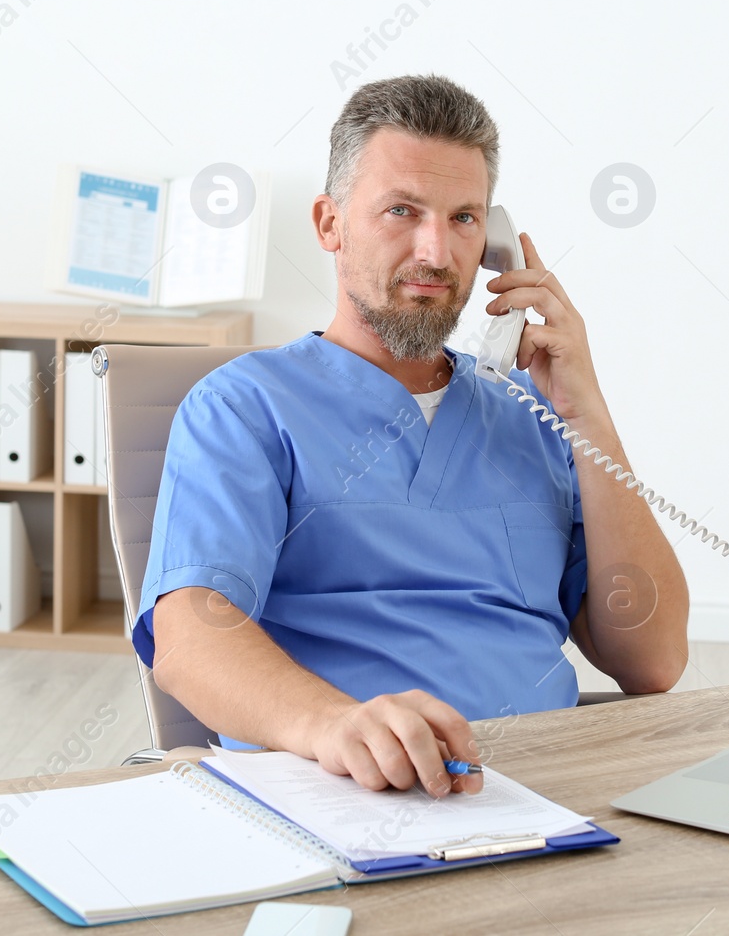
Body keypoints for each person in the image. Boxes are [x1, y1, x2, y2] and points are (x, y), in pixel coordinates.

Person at [133, 74, 687, 799]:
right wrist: (333, 725)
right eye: (402, 210)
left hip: (543, 792)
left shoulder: (535, 414)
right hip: (343, 788)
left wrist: (590, 420)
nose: (436, 250)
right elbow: (186, 637)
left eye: (464, 218)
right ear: (330, 224)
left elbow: (652, 659)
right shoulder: (245, 408)